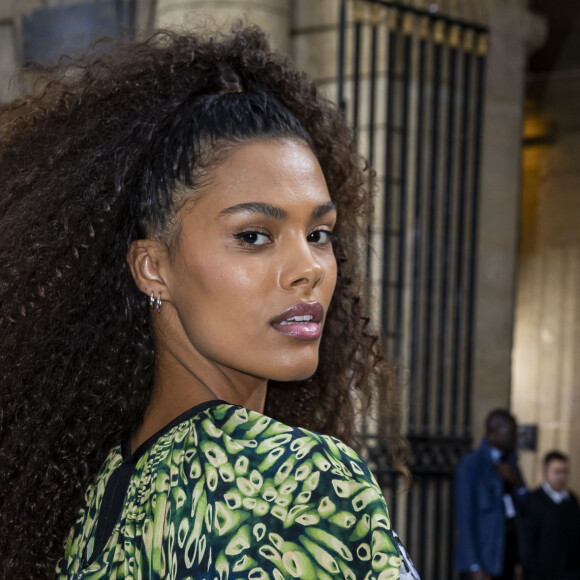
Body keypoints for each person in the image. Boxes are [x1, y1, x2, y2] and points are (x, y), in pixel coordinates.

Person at [0, 27, 420, 579]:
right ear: (153, 268)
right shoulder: (298, 479)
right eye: (253, 236)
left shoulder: (101, 496)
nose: (309, 269)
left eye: (319, 233)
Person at [455, 409, 527, 580]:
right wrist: (474, 565)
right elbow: (465, 519)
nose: (515, 437)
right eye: (511, 432)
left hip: (506, 557)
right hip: (483, 559)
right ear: (494, 433)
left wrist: (518, 483)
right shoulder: (472, 465)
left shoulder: (512, 464)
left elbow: (528, 510)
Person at [524, 451, 580, 580]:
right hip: (543, 573)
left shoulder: (572, 500)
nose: (562, 477)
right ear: (545, 471)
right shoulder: (534, 500)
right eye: (557, 471)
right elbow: (528, 543)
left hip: (570, 573)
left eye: (565, 472)